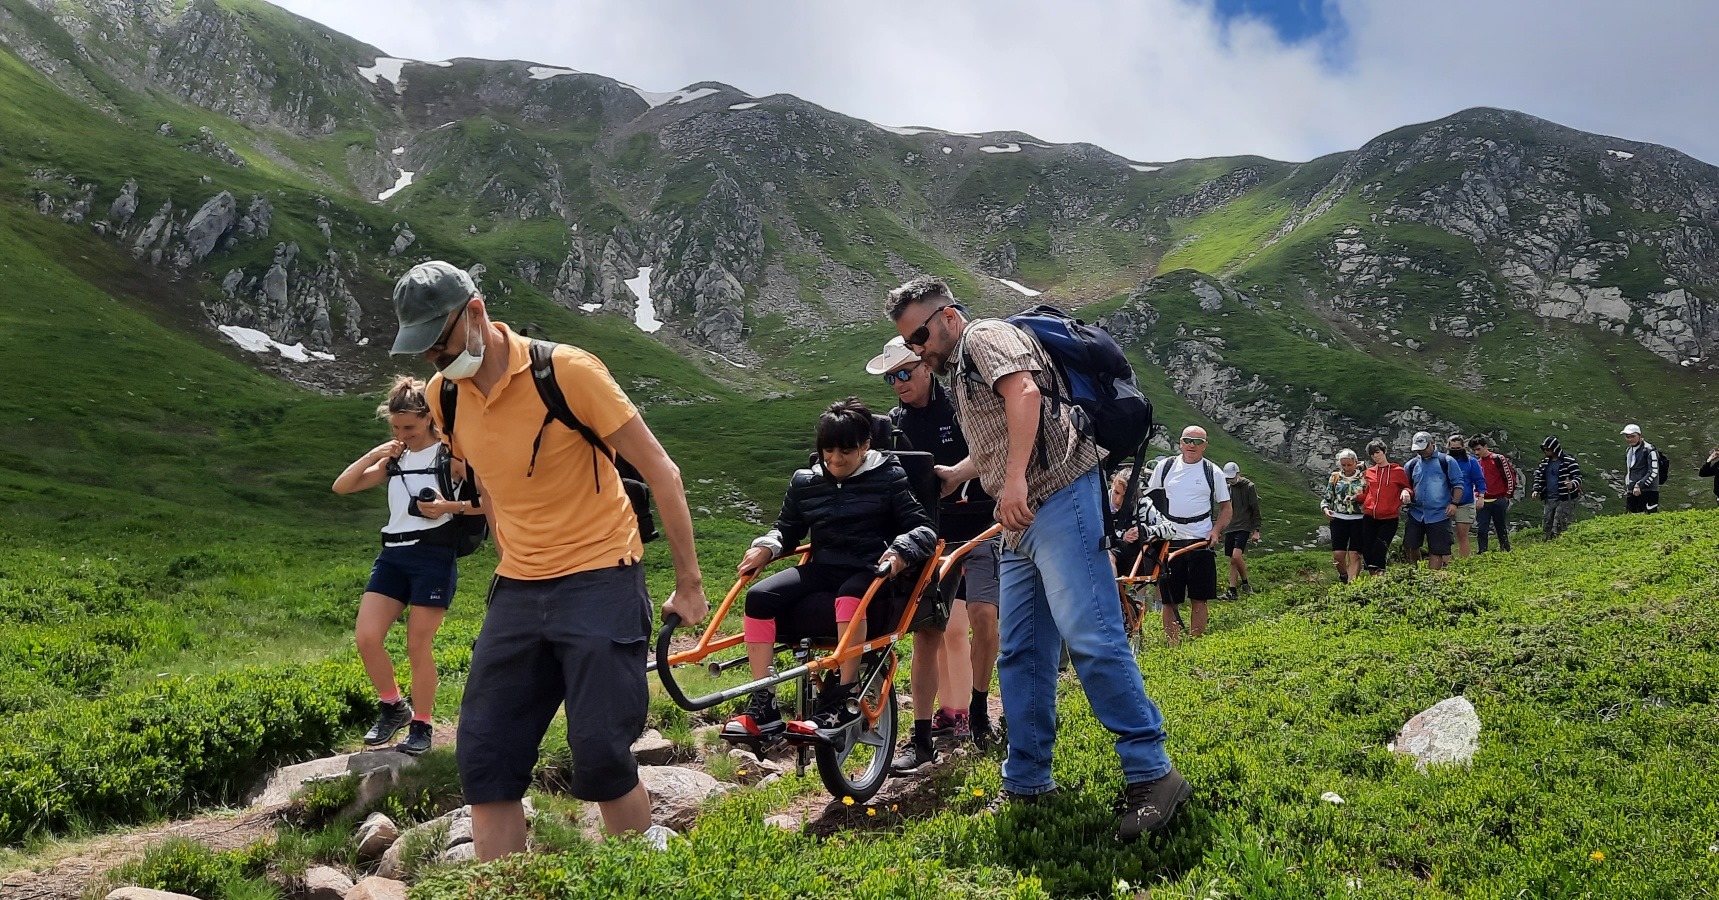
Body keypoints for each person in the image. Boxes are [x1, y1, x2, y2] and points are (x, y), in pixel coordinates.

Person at [388, 260, 710, 859]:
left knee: (600, 753)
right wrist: (511, 553)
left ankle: (638, 876)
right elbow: (487, 482)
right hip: (518, 588)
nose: (436, 358)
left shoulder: (566, 371)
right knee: (485, 753)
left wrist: (689, 584)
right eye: (426, 350)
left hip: (601, 575)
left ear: (477, 314)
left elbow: (663, 473)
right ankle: (502, 887)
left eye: (442, 341)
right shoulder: (444, 396)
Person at [887, 274, 1190, 840]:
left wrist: (1017, 481)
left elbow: (1025, 395)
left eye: (920, 335)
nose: (917, 349)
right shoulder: (959, 370)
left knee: (1093, 634)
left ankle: (1153, 774)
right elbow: (999, 436)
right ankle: (1026, 780)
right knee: (1022, 650)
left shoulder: (986, 337)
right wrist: (959, 475)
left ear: (948, 316)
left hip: (1058, 499)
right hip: (1019, 519)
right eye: (909, 343)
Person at [725, 397, 937, 743]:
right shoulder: (805, 481)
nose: (836, 460)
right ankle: (763, 703)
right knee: (759, 597)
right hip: (824, 565)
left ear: (865, 446)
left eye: (846, 452)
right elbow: (787, 527)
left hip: (871, 567)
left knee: (850, 596)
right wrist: (767, 546)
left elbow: (923, 528)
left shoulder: (889, 476)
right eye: (828, 451)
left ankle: (843, 694)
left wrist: (899, 552)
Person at [867, 336, 1001, 758]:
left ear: (926, 367)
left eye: (904, 373)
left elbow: (994, 449)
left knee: (982, 619)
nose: (898, 383)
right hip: (933, 535)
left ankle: (977, 705)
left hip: (982, 524)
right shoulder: (894, 422)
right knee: (936, 628)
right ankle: (948, 715)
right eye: (891, 378)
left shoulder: (961, 407)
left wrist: (959, 476)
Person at [331, 376, 476, 756]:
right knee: (366, 637)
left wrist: (448, 507)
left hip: (433, 555)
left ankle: (423, 725)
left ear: (429, 418)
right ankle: (393, 706)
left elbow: (489, 502)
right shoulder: (395, 460)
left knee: (417, 645)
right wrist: (376, 454)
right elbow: (341, 487)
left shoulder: (453, 457)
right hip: (393, 555)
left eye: (409, 427)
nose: (402, 433)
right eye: (395, 427)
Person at [1144, 426, 1232, 644]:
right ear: (1180, 443)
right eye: (1187, 440)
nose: (1192, 445)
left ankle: (1197, 643)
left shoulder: (1214, 472)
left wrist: (1215, 531)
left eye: (1197, 441)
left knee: (1199, 597)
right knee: (1169, 599)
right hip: (1169, 541)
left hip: (1200, 540)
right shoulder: (1165, 468)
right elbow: (1149, 502)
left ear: (1205, 445)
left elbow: (1226, 508)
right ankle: (1173, 645)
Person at [1400, 431, 1462, 571]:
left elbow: (1458, 484)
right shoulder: (1411, 465)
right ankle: (1416, 571)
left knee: (1437, 549)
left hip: (1440, 513)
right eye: (1418, 449)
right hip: (1416, 512)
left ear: (1431, 444)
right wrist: (1404, 492)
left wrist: (1454, 503)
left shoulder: (1446, 461)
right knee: (1410, 545)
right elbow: (1405, 485)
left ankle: (1432, 577)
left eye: (1423, 448)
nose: (1421, 452)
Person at [1358, 440, 1411, 575]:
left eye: (1377, 452)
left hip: (1389, 518)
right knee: (1367, 549)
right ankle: (1374, 579)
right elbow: (1365, 493)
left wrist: (1406, 492)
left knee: (1379, 549)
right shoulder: (1369, 472)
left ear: (1384, 451)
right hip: (1370, 516)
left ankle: (1381, 578)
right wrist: (1355, 498)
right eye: (1372, 454)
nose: (1376, 456)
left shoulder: (1398, 471)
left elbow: (1407, 487)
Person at [1319, 449, 1365, 583]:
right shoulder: (1335, 477)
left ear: (1356, 463)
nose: (1346, 468)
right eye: (1343, 465)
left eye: (1349, 465)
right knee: (1338, 554)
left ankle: (1352, 584)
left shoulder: (1364, 477)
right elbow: (1327, 498)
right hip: (1338, 519)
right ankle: (1344, 575)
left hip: (1359, 519)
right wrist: (1326, 509)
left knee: (1355, 553)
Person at [1468, 435, 1518, 553]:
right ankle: (1482, 551)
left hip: (1499, 498)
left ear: (1485, 446)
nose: (1476, 452)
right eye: (1474, 450)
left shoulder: (1497, 458)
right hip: (1482, 500)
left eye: (1478, 449)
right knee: (1482, 528)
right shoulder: (1477, 463)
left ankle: (1505, 549)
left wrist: (1507, 495)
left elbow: (1509, 476)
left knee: (1500, 527)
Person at [1221, 462, 1261, 600]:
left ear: (1238, 474)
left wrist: (1256, 530)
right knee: (1232, 560)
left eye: (1231, 477)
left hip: (1243, 526)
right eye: (1227, 478)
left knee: (1236, 556)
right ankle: (1232, 590)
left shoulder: (1249, 487)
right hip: (1229, 527)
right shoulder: (1226, 488)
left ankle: (1245, 583)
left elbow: (1255, 508)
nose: (1230, 480)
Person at [1531, 436, 1583, 539]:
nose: (1546, 452)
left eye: (1548, 449)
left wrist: (1572, 484)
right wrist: (1536, 489)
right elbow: (1538, 476)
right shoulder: (1544, 463)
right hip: (1549, 497)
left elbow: (1578, 476)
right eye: (1544, 449)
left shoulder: (1569, 461)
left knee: (1561, 521)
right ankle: (1548, 540)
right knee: (1547, 521)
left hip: (1565, 498)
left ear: (1555, 449)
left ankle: (1561, 540)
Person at [1446, 433, 1486, 558]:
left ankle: (1464, 561)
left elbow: (1479, 480)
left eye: (1458, 448)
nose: (1456, 451)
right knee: (1443, 535)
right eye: (1453, 449)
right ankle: (1445, 561)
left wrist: (1481, 496)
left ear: (1463, 447)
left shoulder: (1471, 462)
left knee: (1462, 535)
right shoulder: (1444, 461)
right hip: (1445, 502)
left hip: (1465, 502)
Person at [1620, 424, 1660, 514]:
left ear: (1639, 435)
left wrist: (1639, 485)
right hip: (1632, 490)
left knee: (1648, 518)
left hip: (1648, 490)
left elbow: (1653, 471)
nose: (1630, 439)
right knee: (1630, 518)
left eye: (1632, 436)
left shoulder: (1650, 450)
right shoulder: (1629, 450)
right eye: (1627, 437)